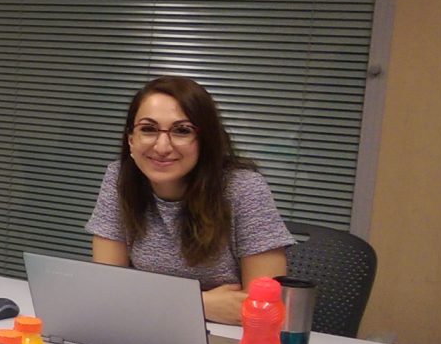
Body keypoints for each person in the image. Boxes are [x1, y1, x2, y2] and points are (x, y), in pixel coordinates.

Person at [86, 76, 295, 324]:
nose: (162, 147)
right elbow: (107, 290)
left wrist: (141, 298)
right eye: (148, 129)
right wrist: (200, 304)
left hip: (225, 337)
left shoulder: (243, 188)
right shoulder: (119, 178)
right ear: (131, 139)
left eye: (182, 131)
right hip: (145, 326)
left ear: (204, 141)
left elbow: (267, 308)